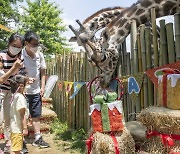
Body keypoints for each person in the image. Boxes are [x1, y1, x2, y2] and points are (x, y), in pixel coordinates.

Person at [22, 31, 49, 148]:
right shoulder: (20, 55)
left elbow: (43, 71)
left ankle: (37, 138)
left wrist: (43, 86)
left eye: (37, 44)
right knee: (22, 115)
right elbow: (15, 73)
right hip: (22, 91)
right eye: (34, 44)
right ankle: (21, 140)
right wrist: (25, 81)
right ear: (26, 43)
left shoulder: (39, 54)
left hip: (36, 90)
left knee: (36, 114)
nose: (36, 46)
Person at [0, 33, 24, 153]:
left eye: (19, 47)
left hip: (11, 91)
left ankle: (8, 141)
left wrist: (26, 79)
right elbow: (1, 79)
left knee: (9, 118)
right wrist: (14, 68)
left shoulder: (21, 57)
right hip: (0, 90)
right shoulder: (1, 56)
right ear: (9, 44)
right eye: (14, 45)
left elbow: (20, 76)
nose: (16, 49)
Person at [9, 75, 29, 154]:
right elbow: (22, 114)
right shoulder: (20, 97)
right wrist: (25, 128)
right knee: (16, 150)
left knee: (16, 148)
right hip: (18, 128)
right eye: (24, 85)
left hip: (14, 127)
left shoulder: (14, 96)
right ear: (21, 86)